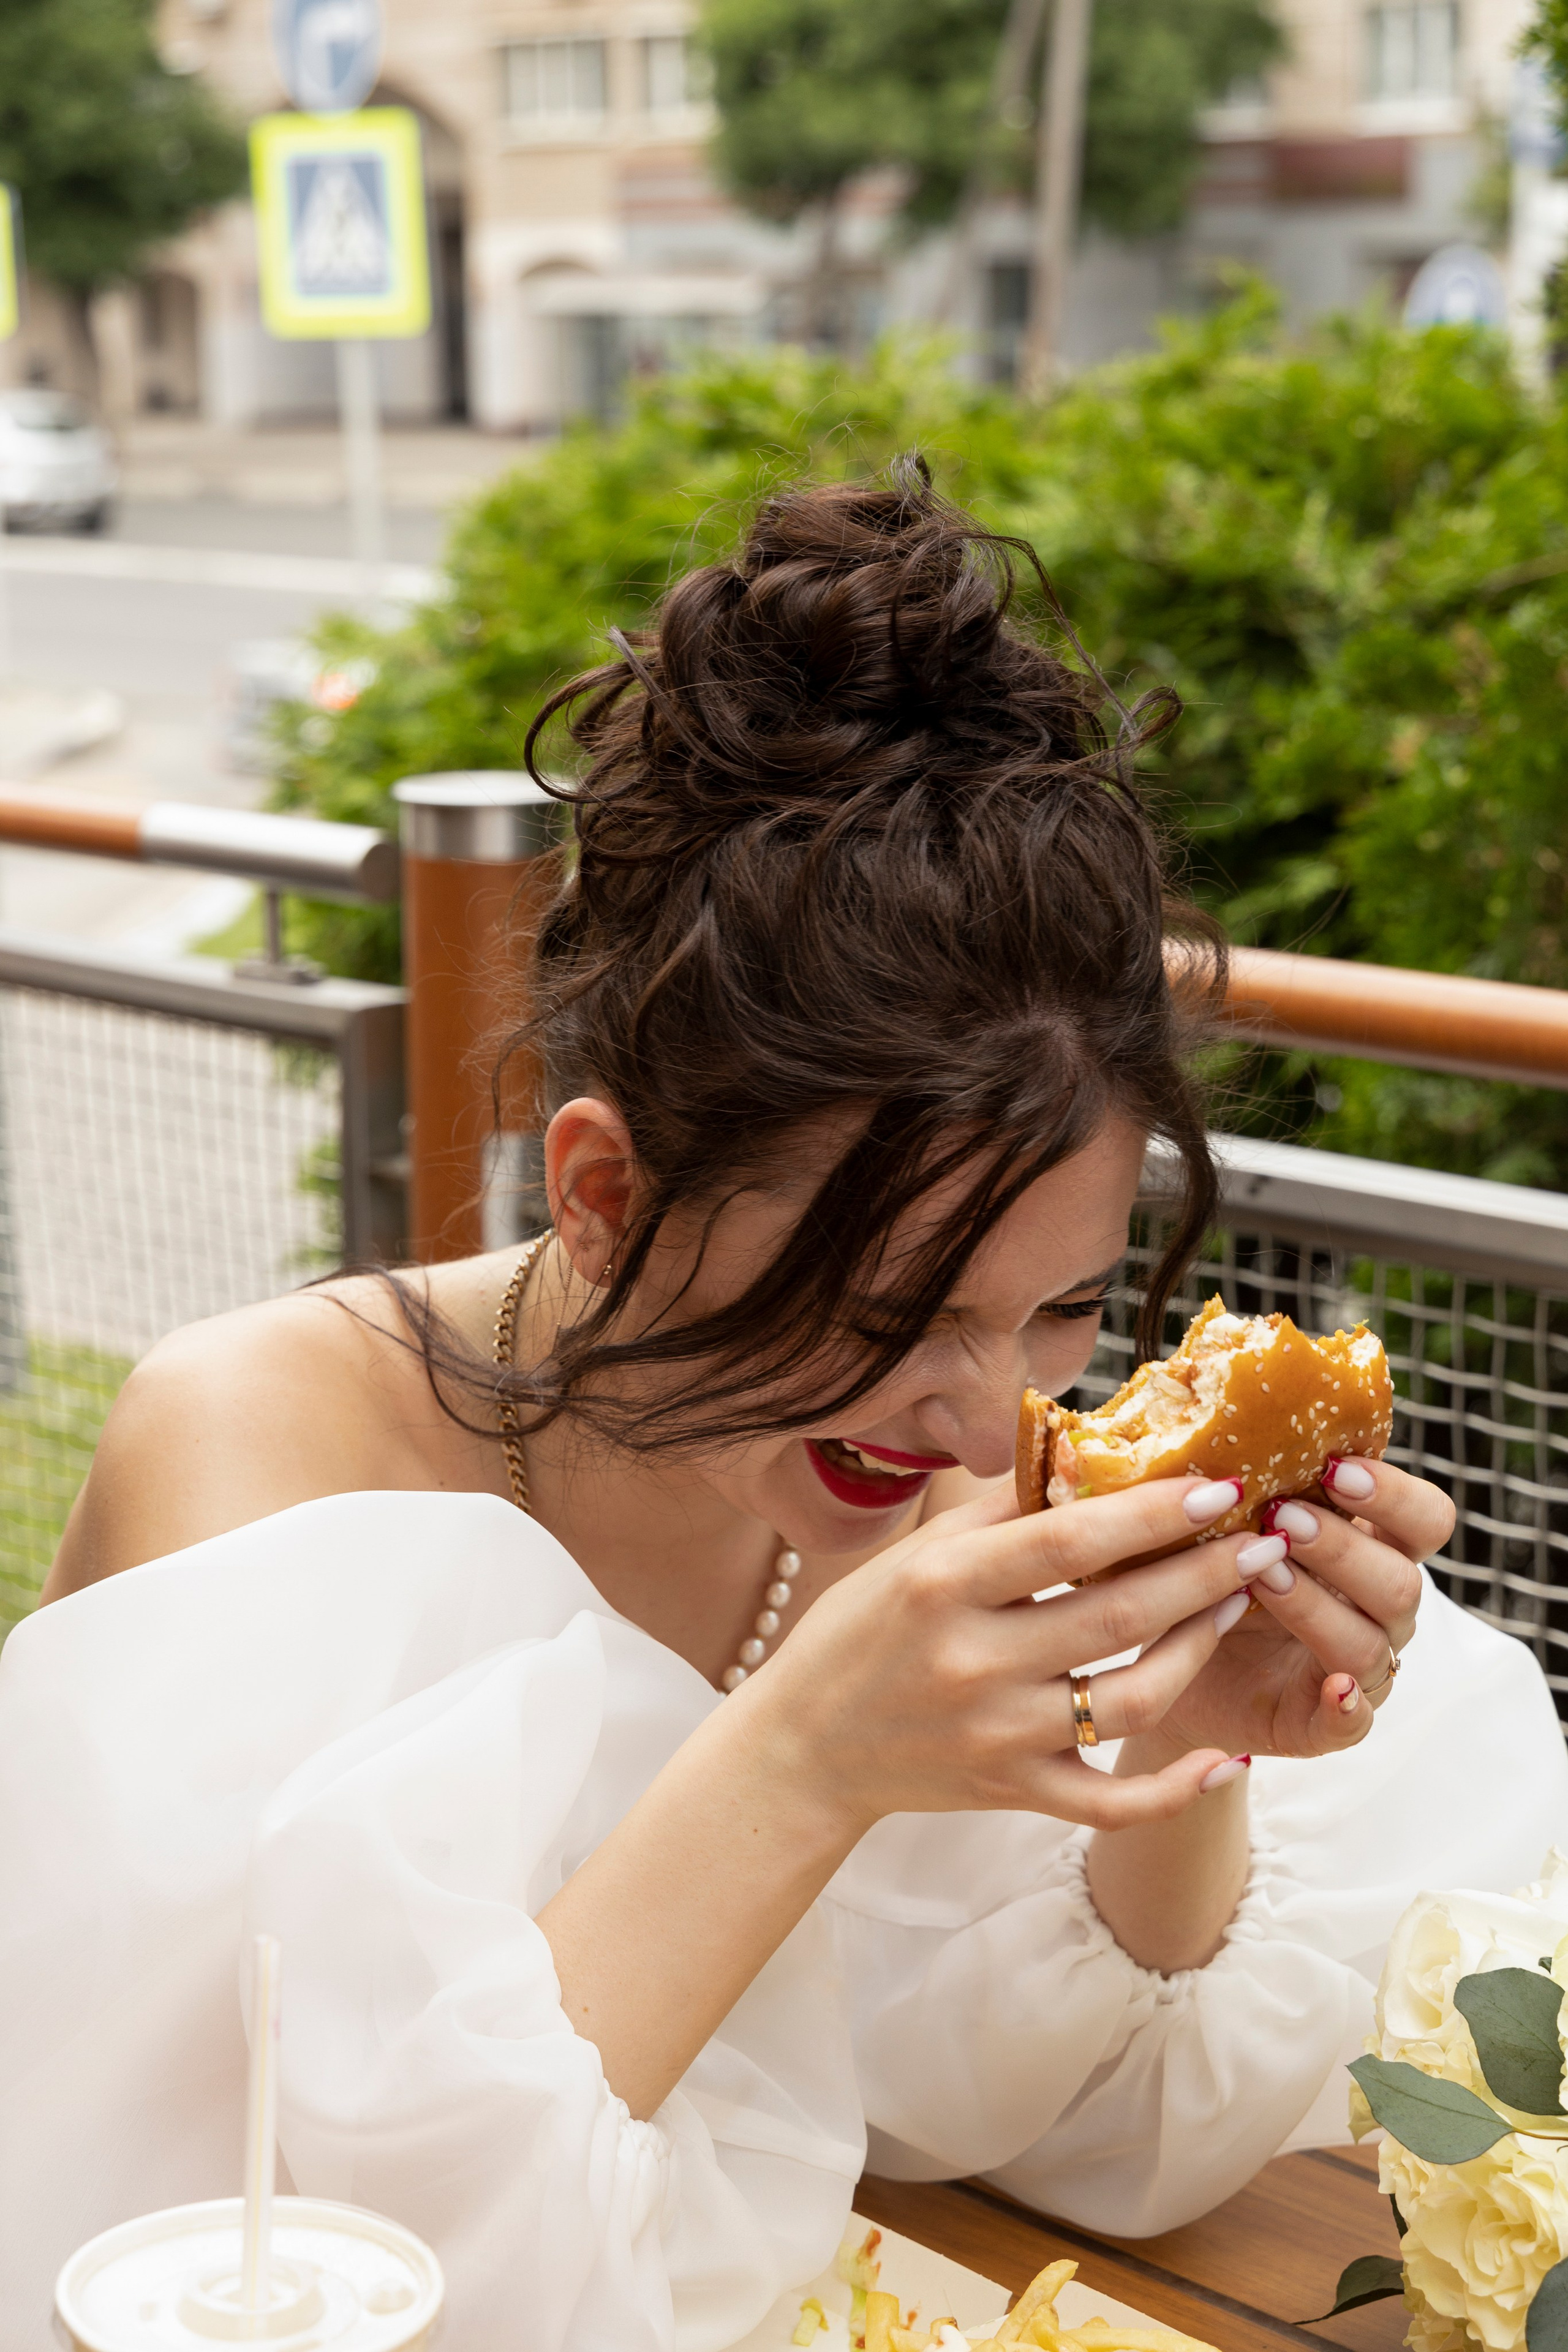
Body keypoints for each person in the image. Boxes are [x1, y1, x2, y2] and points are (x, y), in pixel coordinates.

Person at [4, 468, 1564, 2352]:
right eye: (887, 1305)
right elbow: (290, 2249)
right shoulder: (258, 1457)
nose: (985, 1420)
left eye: (1062, 1305)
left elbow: (1100, 2140)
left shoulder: (959, 1489)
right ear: (599, 1192)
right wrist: (806, 1756)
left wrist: (1185, 1746)